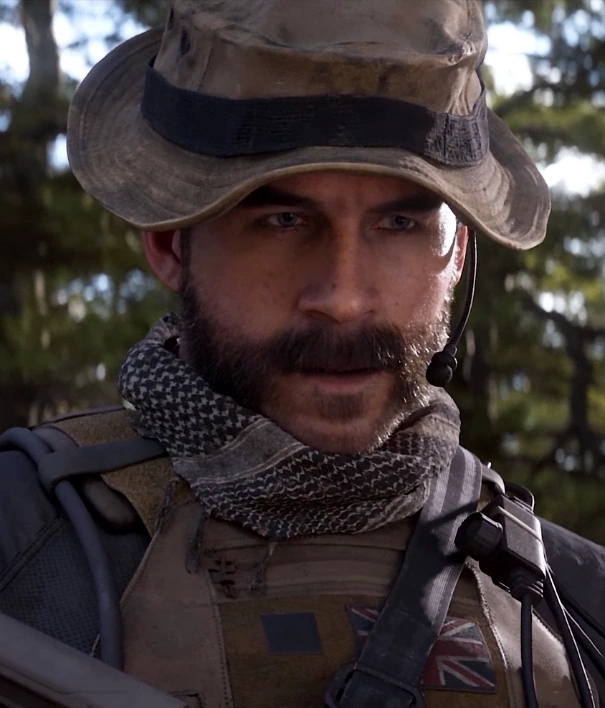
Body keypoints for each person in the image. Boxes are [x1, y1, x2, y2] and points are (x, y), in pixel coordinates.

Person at [1, 1, 605, 707]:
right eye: (283, 220)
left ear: (457, 252)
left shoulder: (574, 602)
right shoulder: (22, 545)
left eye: (400, 222)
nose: (343, 299)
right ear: (169, 241)